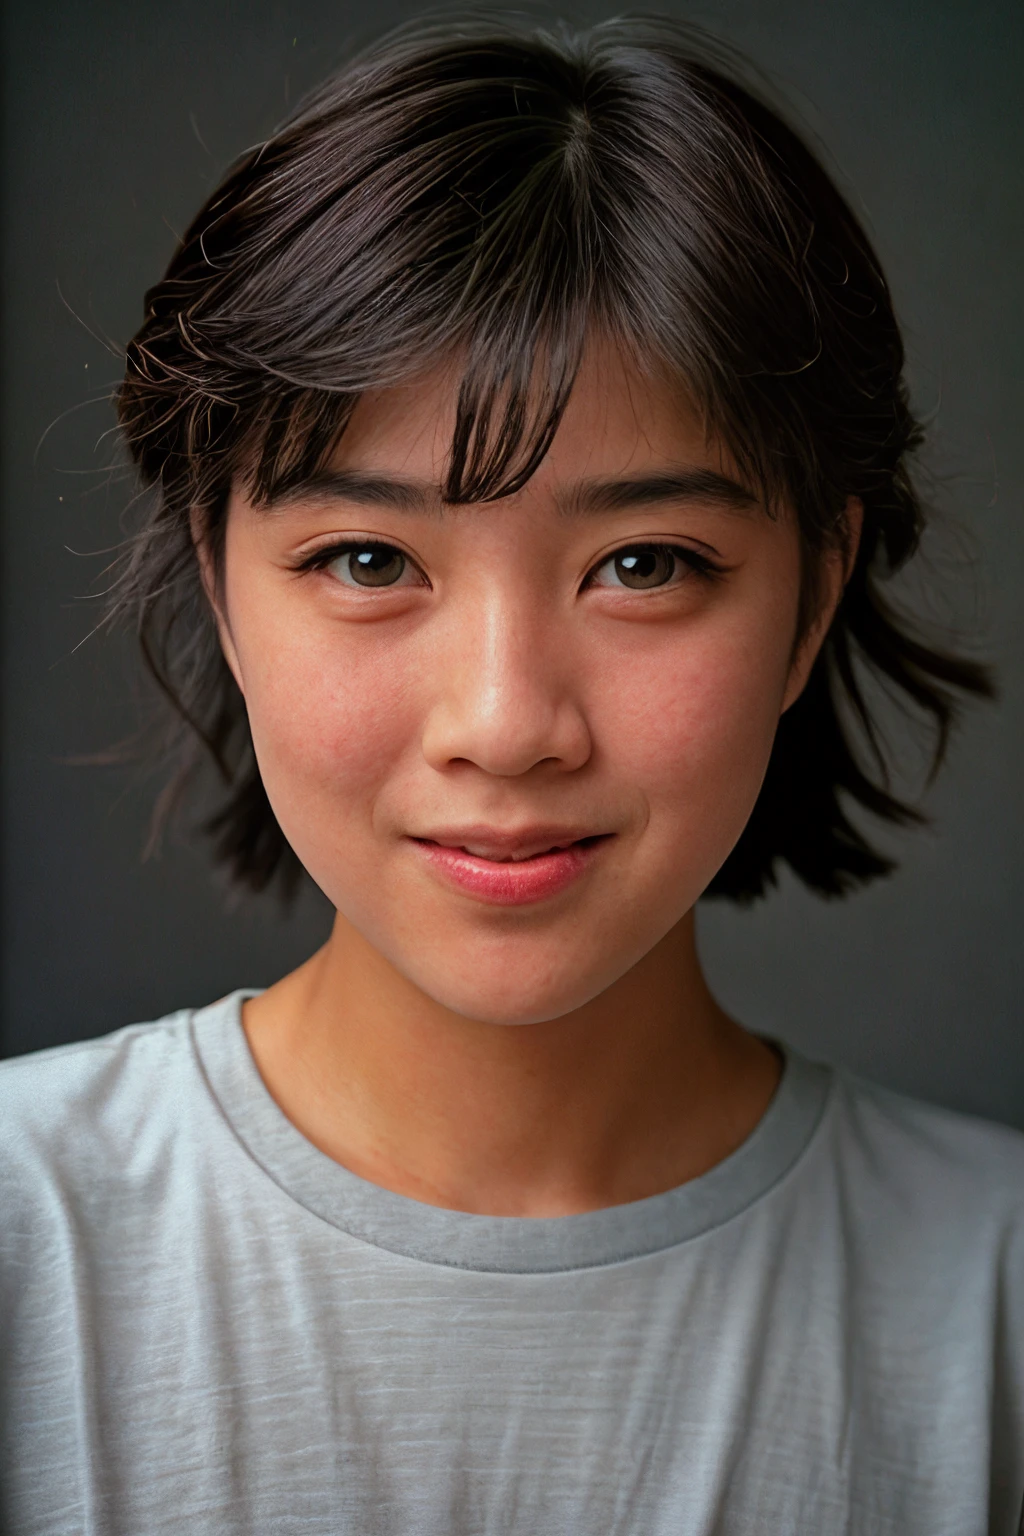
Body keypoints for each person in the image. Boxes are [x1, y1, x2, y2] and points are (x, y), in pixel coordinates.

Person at [2, 14, 1021, 1534]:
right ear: (221, 585)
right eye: (366, 559)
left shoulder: (996, 1291)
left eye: (644, 564)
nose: (505, 721)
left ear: (812, 597)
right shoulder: (28, 1239)